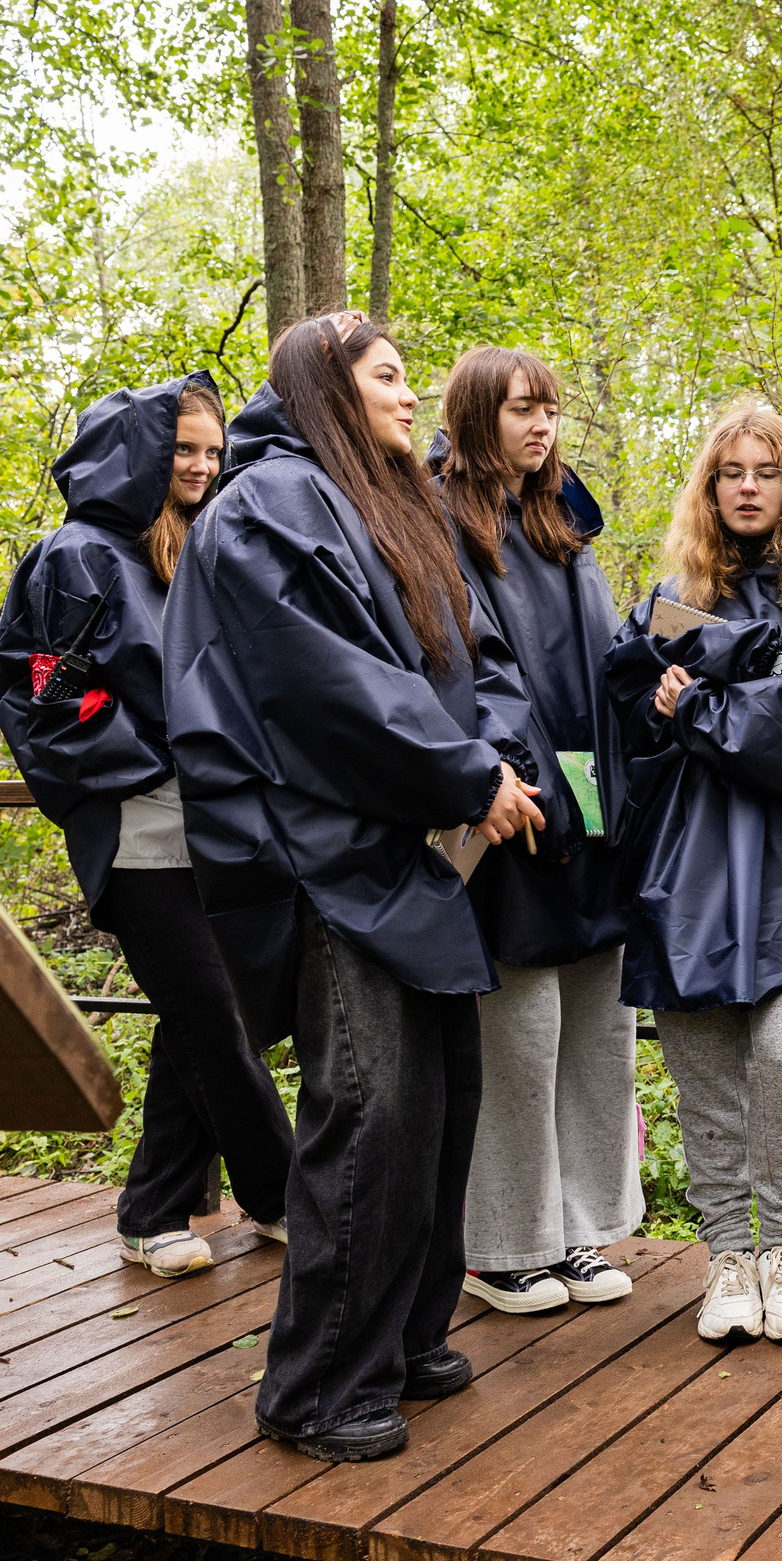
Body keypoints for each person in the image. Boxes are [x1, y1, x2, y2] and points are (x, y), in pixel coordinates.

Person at [164, 312, 550, 1464]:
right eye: (386, 378)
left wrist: (501, 757)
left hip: (420, 857)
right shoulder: (268, 507)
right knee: (370, 1115)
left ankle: (400, 1336)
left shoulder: (398, 502)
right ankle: (318, 1383)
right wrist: (461, 770)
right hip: (327, 858)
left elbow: (477, 658)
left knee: (439, 1110)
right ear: (331, 388)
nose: (406, 395)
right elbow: (318, 684)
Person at [604, 399, 782, 1347]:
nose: (746, 487)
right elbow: (628, 719)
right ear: (709, 486)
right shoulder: (670, 601)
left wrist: (703, 711)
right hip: (686, 866)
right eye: (729, 472)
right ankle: (728, 1254)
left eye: (765, 471)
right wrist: (660, 706)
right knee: (705, 1071)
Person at [0, 375, 294, 1279]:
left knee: (203, 1020)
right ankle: (290, 1196)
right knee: (217, 1020)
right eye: (184, 449)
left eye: (213, 449)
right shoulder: (76, 557)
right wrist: (168, 758)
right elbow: (49, 696)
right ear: (137, 453)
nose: (204, 464)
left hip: (217, 832)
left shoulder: (191, 551)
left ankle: (151, 1208)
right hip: (140, 835)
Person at [433, 346, 642, 1316]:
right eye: (521, 408)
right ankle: (505, 1246)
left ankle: (578, 1230)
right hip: (509, 796)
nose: (541, 424)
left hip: (590, 788)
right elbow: (466, 666)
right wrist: (500, 772)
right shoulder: (440, 519)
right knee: (520, 1032)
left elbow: (596, 665)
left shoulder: (567, 521)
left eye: (550, 408)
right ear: (479, 416)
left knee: (595, 1022)